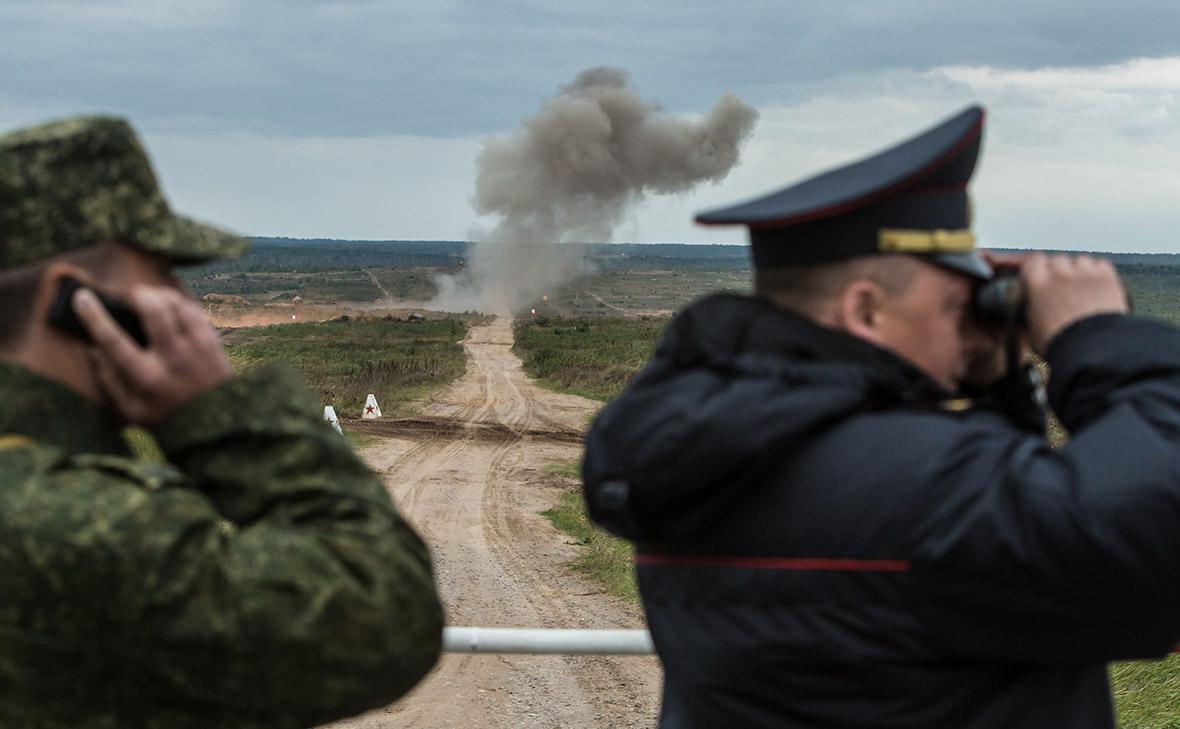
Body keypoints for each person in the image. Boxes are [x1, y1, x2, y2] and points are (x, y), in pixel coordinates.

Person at [581, 105, 1178, 728]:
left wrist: (994, 382)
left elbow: (992, 549)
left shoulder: (704, 455)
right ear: (867, 311)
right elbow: (1151, 548)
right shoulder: (931, 492)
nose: (968, 329)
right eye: (954, 306)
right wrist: (1101, 340)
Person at [0, 116, 444, 728]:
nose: (182, 300)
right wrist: (217, 414)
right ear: (73, 301)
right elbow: (387, 616)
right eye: (159, 275)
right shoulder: (84, 521)